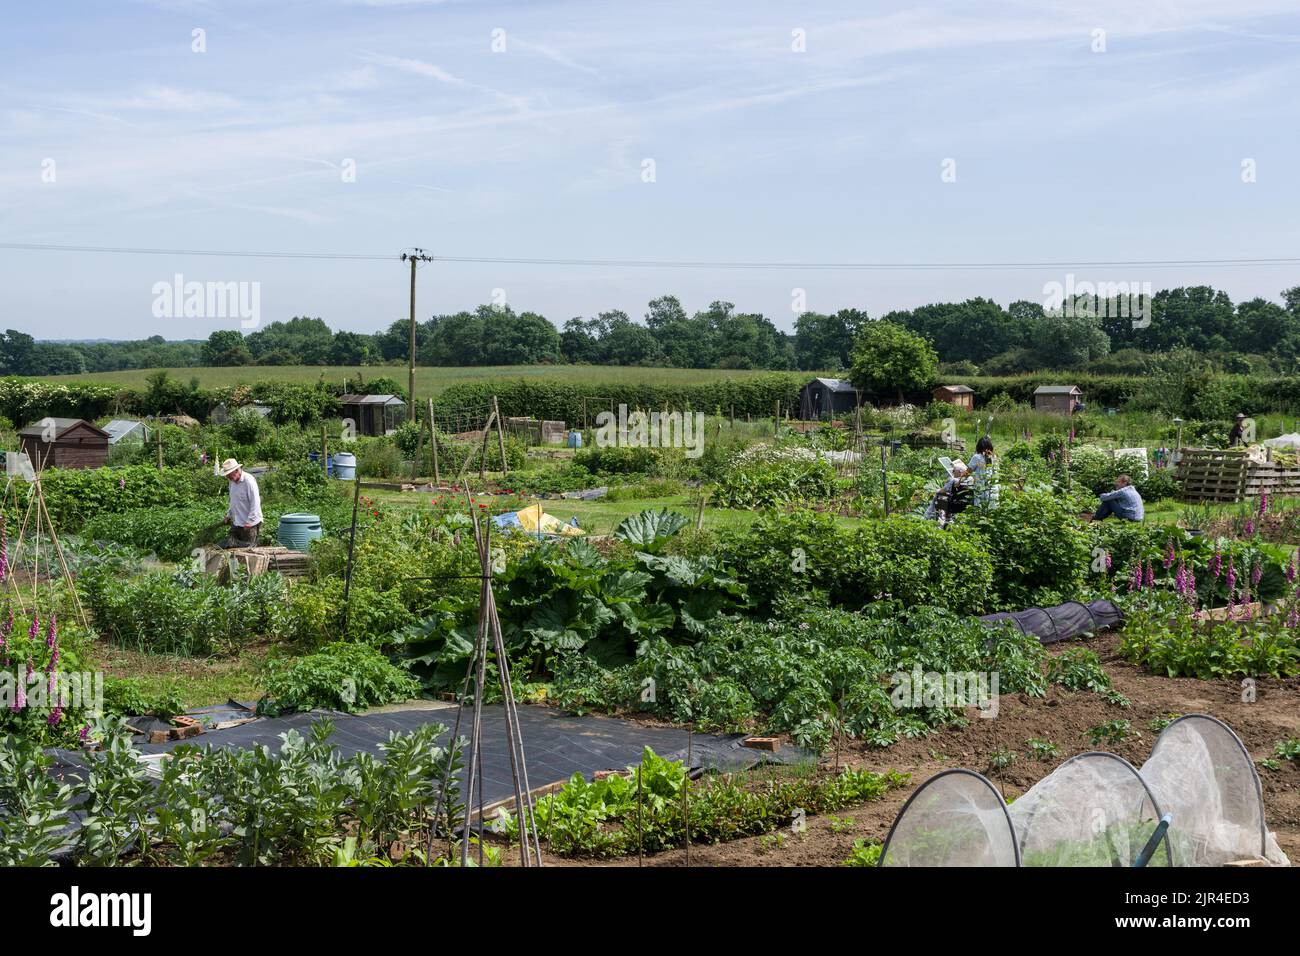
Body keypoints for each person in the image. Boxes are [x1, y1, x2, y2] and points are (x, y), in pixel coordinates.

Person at [221, 457, 263, 547]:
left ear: (236, 470)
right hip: (237, 521)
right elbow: (233, 501)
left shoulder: (249, 481)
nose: (227, 477)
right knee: (232, 547)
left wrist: (249, 521)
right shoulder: (232, 482)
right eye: (227, 475)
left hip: (250, 524)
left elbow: (255, 502)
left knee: (248, 550)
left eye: (229, 474)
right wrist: (229, 515)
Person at [969, 436, 996, 506]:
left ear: (979, 446)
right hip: (993, 490)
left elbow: (967, 472)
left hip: (981, 490)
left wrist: (959, 480)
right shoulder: (994, 457)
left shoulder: (977, 457)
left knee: (980, 511)